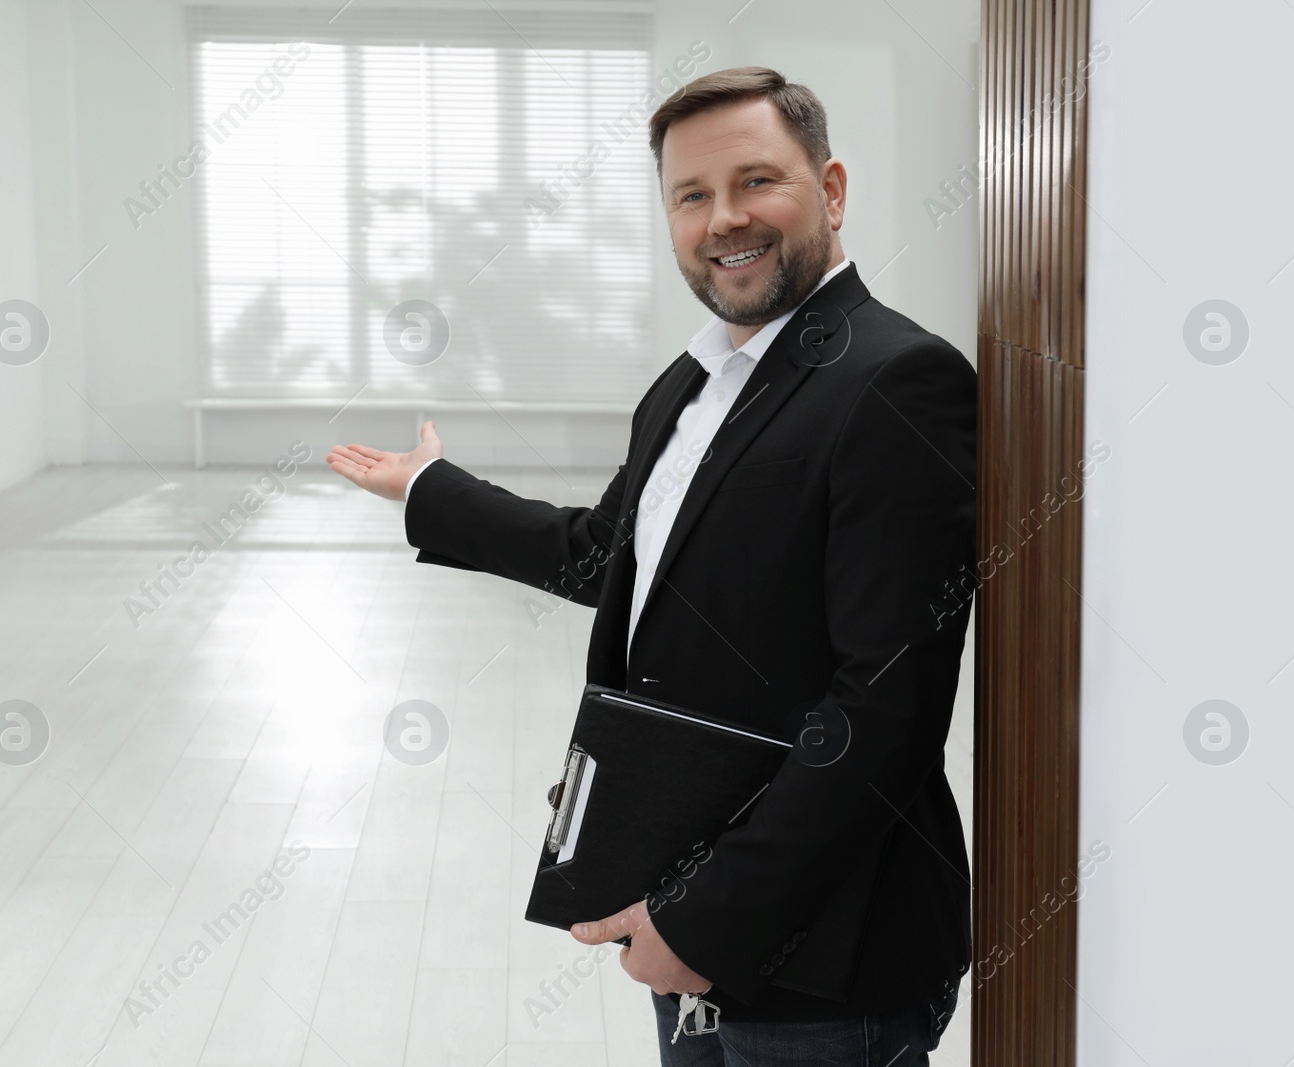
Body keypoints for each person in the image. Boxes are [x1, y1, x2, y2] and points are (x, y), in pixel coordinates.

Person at [328, 66, 974, 1067]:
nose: (725, 218)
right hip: (682, 903)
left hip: (823, 952)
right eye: (691, 195)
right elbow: (611, 557)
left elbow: (883, 710)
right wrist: (431, 491)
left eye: (756, 181)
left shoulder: (896, 380)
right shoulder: (691, 380)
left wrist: (706, 918)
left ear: (831, 190)